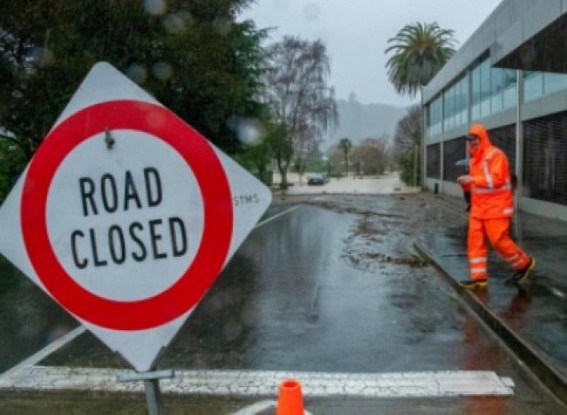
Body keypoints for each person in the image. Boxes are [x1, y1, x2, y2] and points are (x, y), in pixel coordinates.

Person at [456, 123, 535, 289]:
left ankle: (524, 264)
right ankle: (478, 278)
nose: (472, 143)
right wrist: (465, 184)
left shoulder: (496, 155)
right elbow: (476, 186)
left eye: (475, 139)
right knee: (474, 243)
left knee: (499, 241)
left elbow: (497, 180)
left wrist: (473, 180)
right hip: (479, 209)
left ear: (482, 137)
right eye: (470, 140)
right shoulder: (475, 161)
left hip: (496, 209)